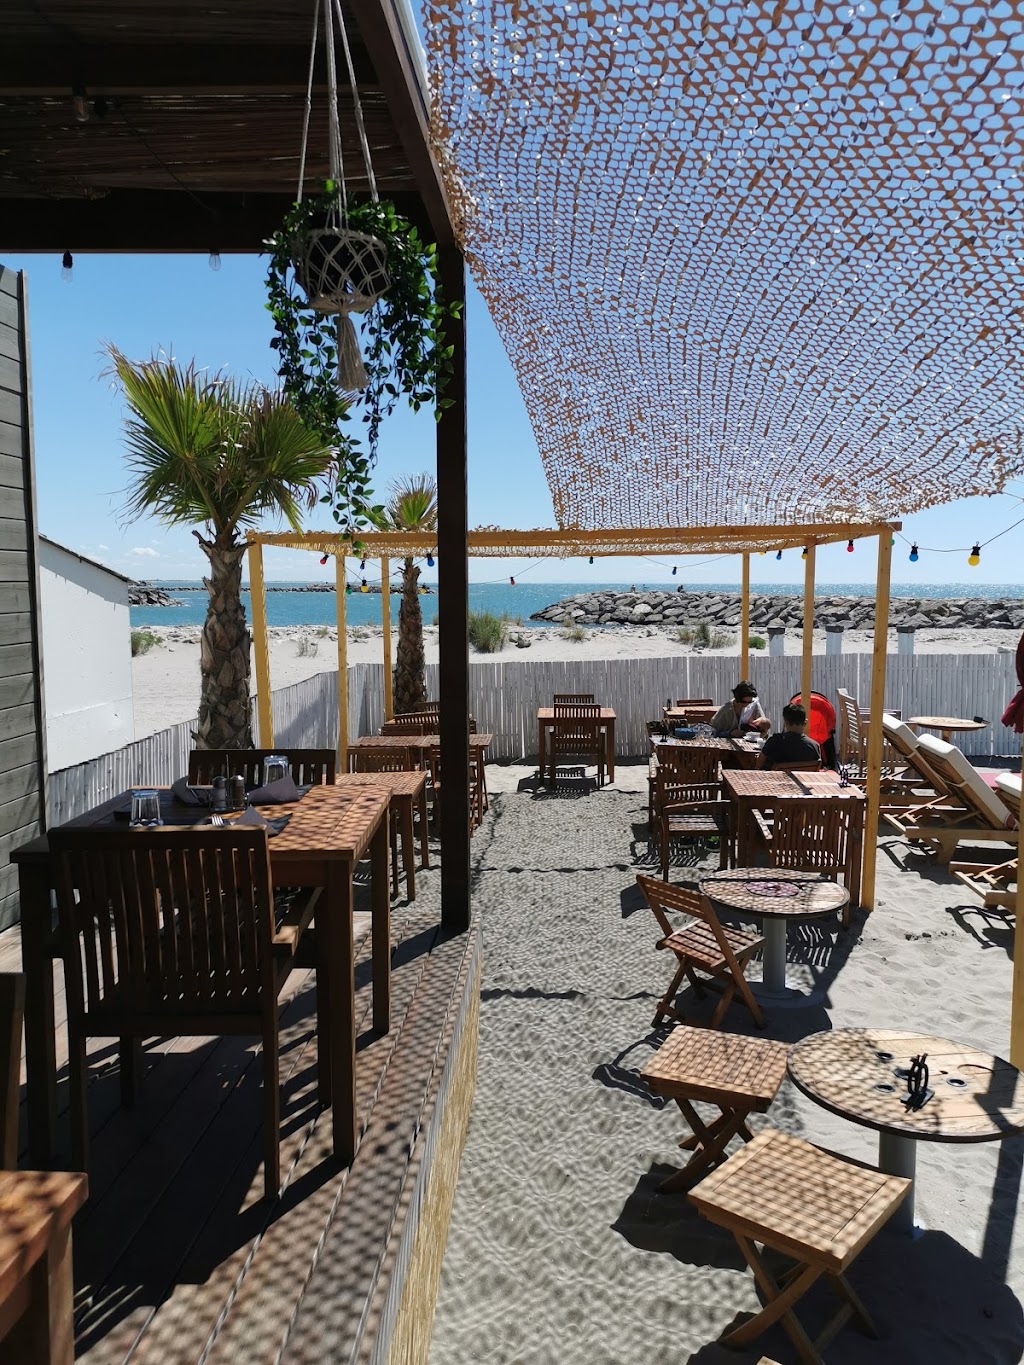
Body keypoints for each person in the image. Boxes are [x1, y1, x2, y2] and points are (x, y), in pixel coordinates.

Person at [756, 702, 822, 770]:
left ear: (785, 722)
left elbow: (758, 764)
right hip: (803, 777)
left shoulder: (773, 741)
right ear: (805, 722)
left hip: (776, 776)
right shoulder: (814, 746)